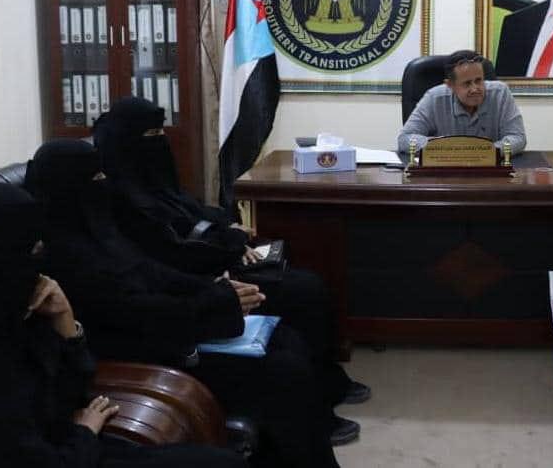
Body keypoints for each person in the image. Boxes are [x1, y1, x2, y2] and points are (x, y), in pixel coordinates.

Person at [26, 139, 348, 467]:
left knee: (287, 340)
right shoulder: (60, 256)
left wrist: (216, 289)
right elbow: (131, 311)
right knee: (284, 370)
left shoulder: (99, 230)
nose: (104, 183)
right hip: (145, 350)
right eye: (95, 178)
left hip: (174, 326)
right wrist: (214, 304)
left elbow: (152, 271)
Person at [0, 179, 246, 468]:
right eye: (30, 251)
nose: (39, 265)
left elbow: (70, 392)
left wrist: (66, 324)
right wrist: (84, 434)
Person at [91, 98, 370, 413]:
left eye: (161, 131)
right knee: (302, 291)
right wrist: (228, 250)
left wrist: (229, 228)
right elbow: (166, 249)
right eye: (152, 134)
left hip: (210, 262)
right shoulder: (119, 195)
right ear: (126, 139)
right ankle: (318, 390)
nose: (161, 140)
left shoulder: (151, 179)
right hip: (197, 275)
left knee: (306, 282)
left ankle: (326, 381)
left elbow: (189, 208)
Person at [397, 49, 526, 154]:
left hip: (489, 169)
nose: (475, 89)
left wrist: (484, 152)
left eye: (479, 80)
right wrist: (447, 148)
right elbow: (405, 138)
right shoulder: (434, 98)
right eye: (467, 83)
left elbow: (517, 138)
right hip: (444, 171)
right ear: (450, 85)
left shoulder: (500, 93)